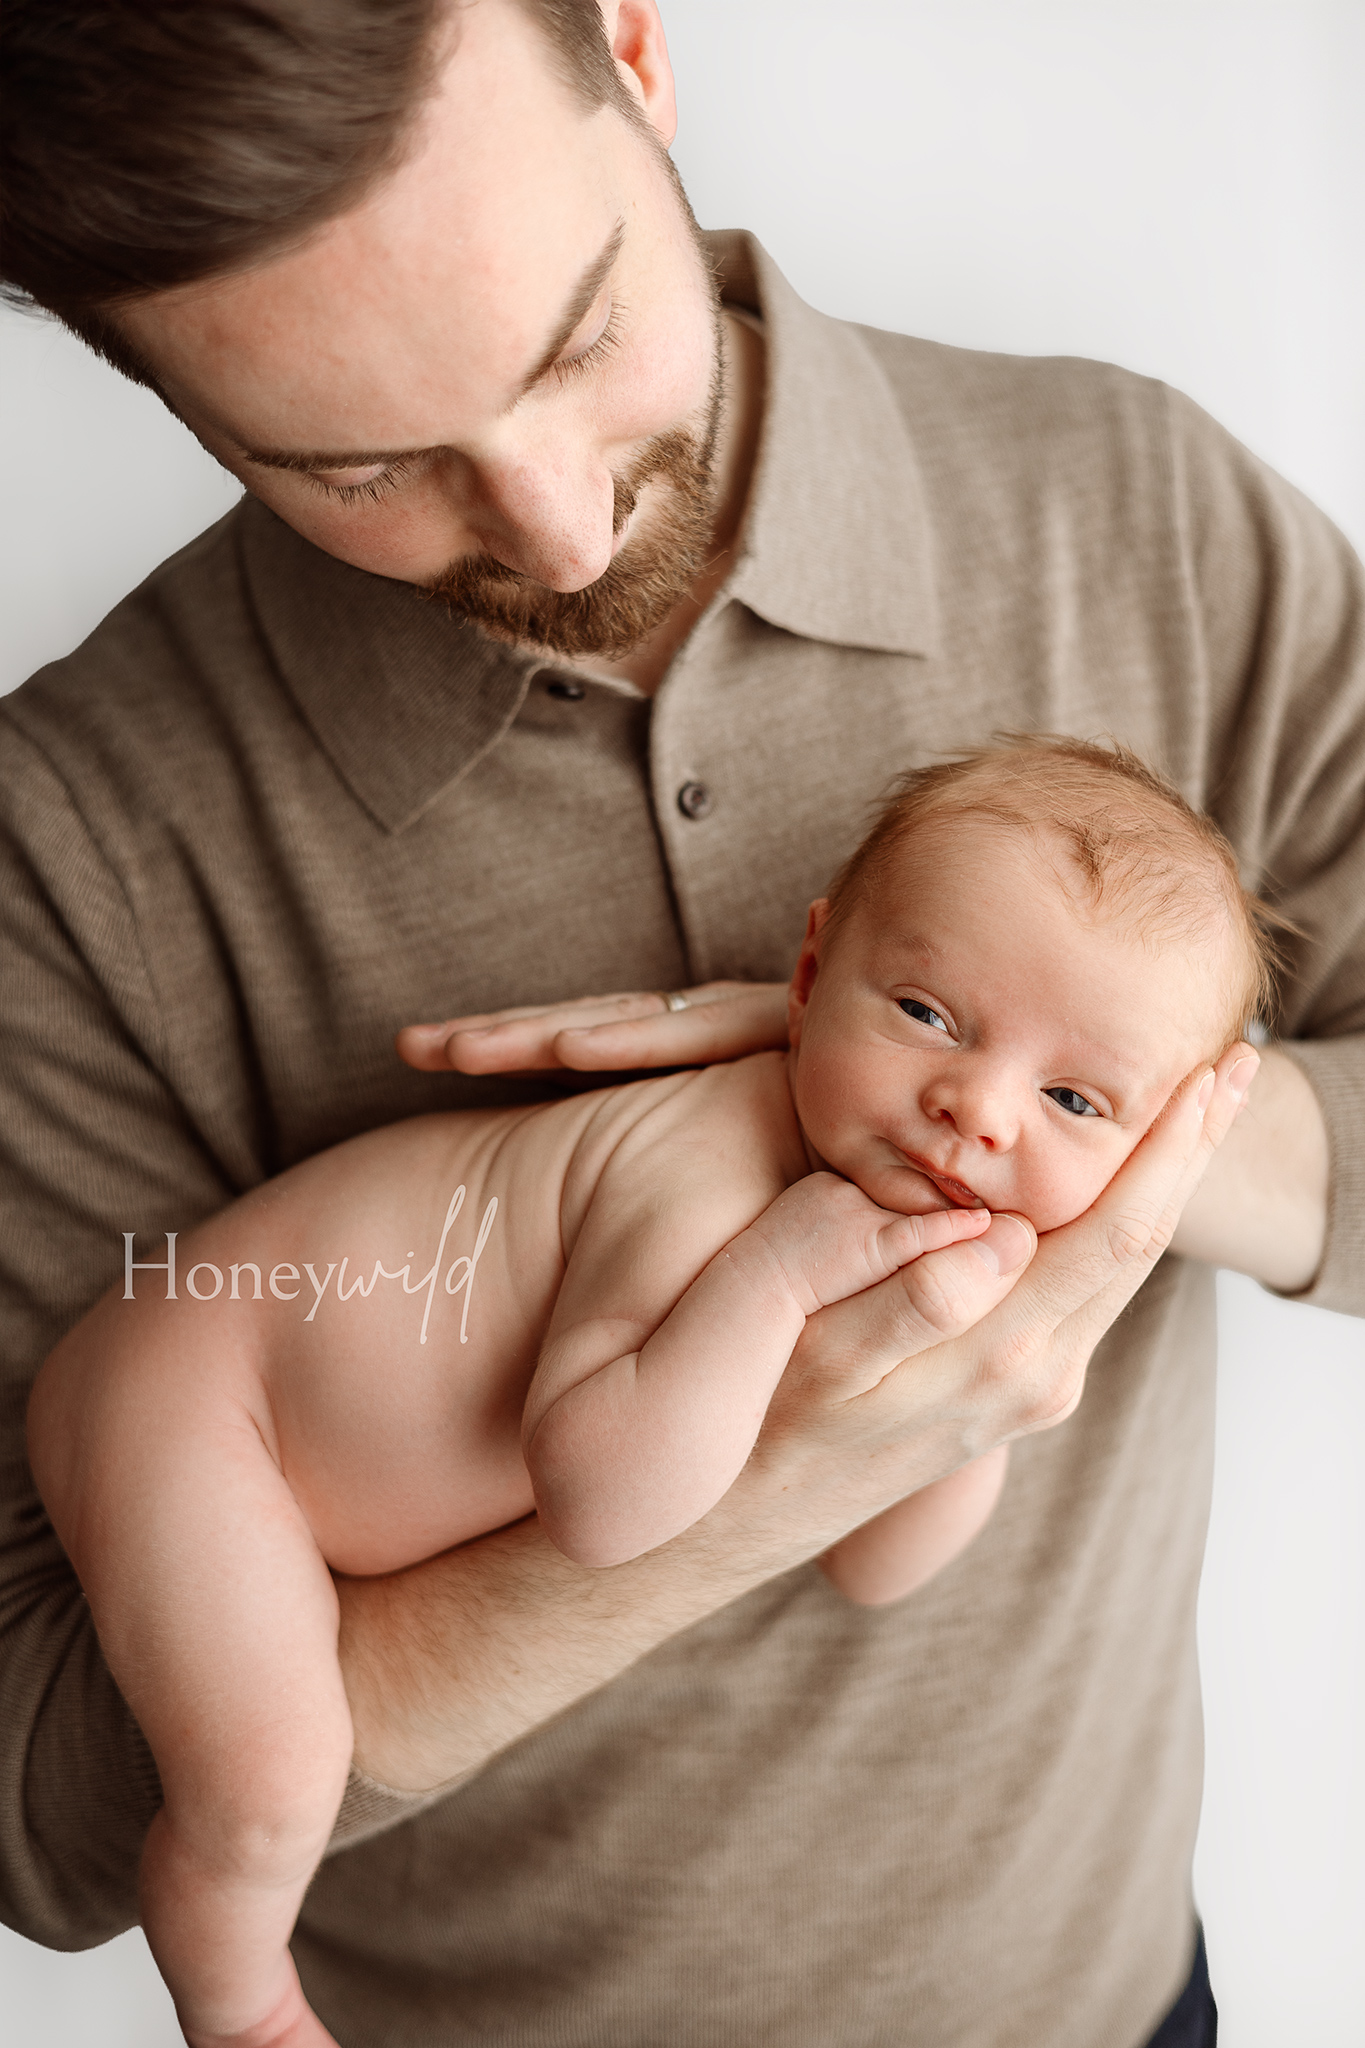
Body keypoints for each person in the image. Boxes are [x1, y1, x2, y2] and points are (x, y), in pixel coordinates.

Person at [0, 3, 1357, 2044]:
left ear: (630, 41)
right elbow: (36, 1807)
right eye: (351, 465)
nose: (551, 528)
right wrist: (796, 1430)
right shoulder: (74, 845)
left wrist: (1136, 1148)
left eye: (567, 339)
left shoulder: (1142, 514)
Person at [29, 739, 1271, 2048]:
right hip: (198, 1392)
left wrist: (970, 1395)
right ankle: (245, 2013)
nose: (975, 1107)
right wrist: (774, 1274)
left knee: (278, 1749)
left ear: (1154, 1164)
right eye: (923, 1014)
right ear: (808, 976)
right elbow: (601, 1507)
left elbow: (875, 1567)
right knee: (272, 1777)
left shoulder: (900, 1220)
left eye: (1072, 1098)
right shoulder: (711, 1169)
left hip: (1090, 1993)